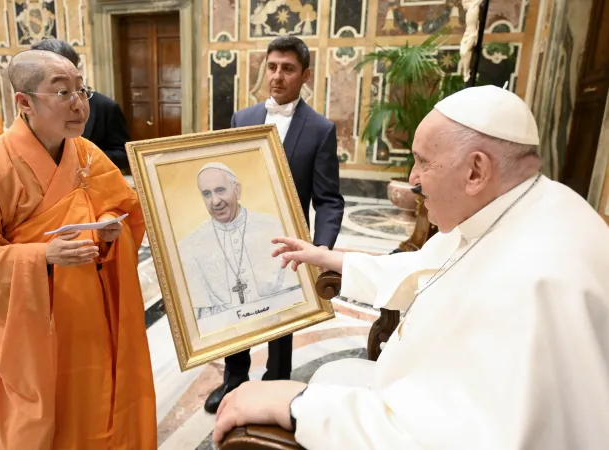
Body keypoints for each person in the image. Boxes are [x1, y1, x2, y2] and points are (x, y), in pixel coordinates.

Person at [212, 85, 609, 449]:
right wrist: (328, 258)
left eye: (422, 162)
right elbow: (425, 268)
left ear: (475, 171)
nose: (413, 180)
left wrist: (299, 405)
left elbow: (455, 435)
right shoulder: (520, 207)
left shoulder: (536, 279)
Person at [0, 50, 156, 449]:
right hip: (30, 327)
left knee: (97, 409)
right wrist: (41, 256)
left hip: (91, 321)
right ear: (24, 103)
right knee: (39, 425)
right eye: (62, 92)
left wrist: (110, 236)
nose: (79, 104)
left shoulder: (89, 155)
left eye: (81, 90)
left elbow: (126, 214)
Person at [204, 35, 344, 414]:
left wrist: (320, 249)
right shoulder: (242, 118)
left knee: (280, 320)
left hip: (286, 242)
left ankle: (276, 382)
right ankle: (234, 380)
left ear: (305, 75)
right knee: (236, 310)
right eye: (272, 67)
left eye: (288, 68)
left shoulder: (319, 129)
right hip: (238, 235)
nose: (277, 76)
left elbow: (329, 199)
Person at [178, 163, 301, 332]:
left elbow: (294, 297)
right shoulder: (190, 245)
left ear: (237, 190)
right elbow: (201, 320)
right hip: (227, 332)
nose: (215, 201)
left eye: (220, 190)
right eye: (207, 194)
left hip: (276, 322)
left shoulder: (273, 227)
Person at [30, 39, 132, 172]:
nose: (78, 104)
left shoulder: (105, 107)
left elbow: (124, 156)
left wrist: (84, 158)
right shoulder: (33, 105)